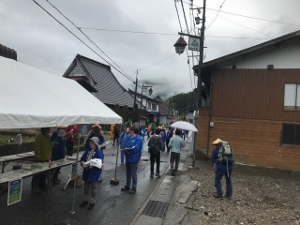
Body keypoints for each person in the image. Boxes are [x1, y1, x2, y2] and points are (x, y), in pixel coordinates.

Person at [79, 137, 104, 209]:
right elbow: (82, 159)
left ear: (96, 144)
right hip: (87, 171)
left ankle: (93, 201)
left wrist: (94, 163)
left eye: (92, 143)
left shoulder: (99, 152)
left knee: (93, 188)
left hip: (94, 172)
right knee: (86, 187)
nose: (91, 144)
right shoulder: (88, 151)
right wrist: (82, 163)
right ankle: (85, 200)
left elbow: (100, 163)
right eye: (90, 143)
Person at [121, 126, 143, 194]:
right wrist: (124, 149)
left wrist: (129, 151)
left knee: (133, 173)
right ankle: (127, 185)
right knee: (128, 172)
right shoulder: (129, 137)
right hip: (128, 157)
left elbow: (136, 148)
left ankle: (134, 187)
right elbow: (125, 144)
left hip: (134, 158)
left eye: (130, 130)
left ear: (133, 130)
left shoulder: (138, 139)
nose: (128, 131)